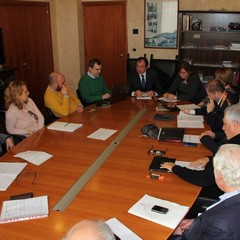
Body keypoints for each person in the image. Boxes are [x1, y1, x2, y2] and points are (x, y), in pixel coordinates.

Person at [161, 104, 240, 199]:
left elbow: (204, 179)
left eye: (225, 124)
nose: (223, 128)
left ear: (235, 124)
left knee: (169, 188)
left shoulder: (232, 148)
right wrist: (209, 159)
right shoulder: (234, 140)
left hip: (216, 192)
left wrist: (174, 168)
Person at [168, 144, 240, 240]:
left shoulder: (219, 225)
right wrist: (195, 222)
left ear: (219, 176)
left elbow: (218, 224)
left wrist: (176, 235)